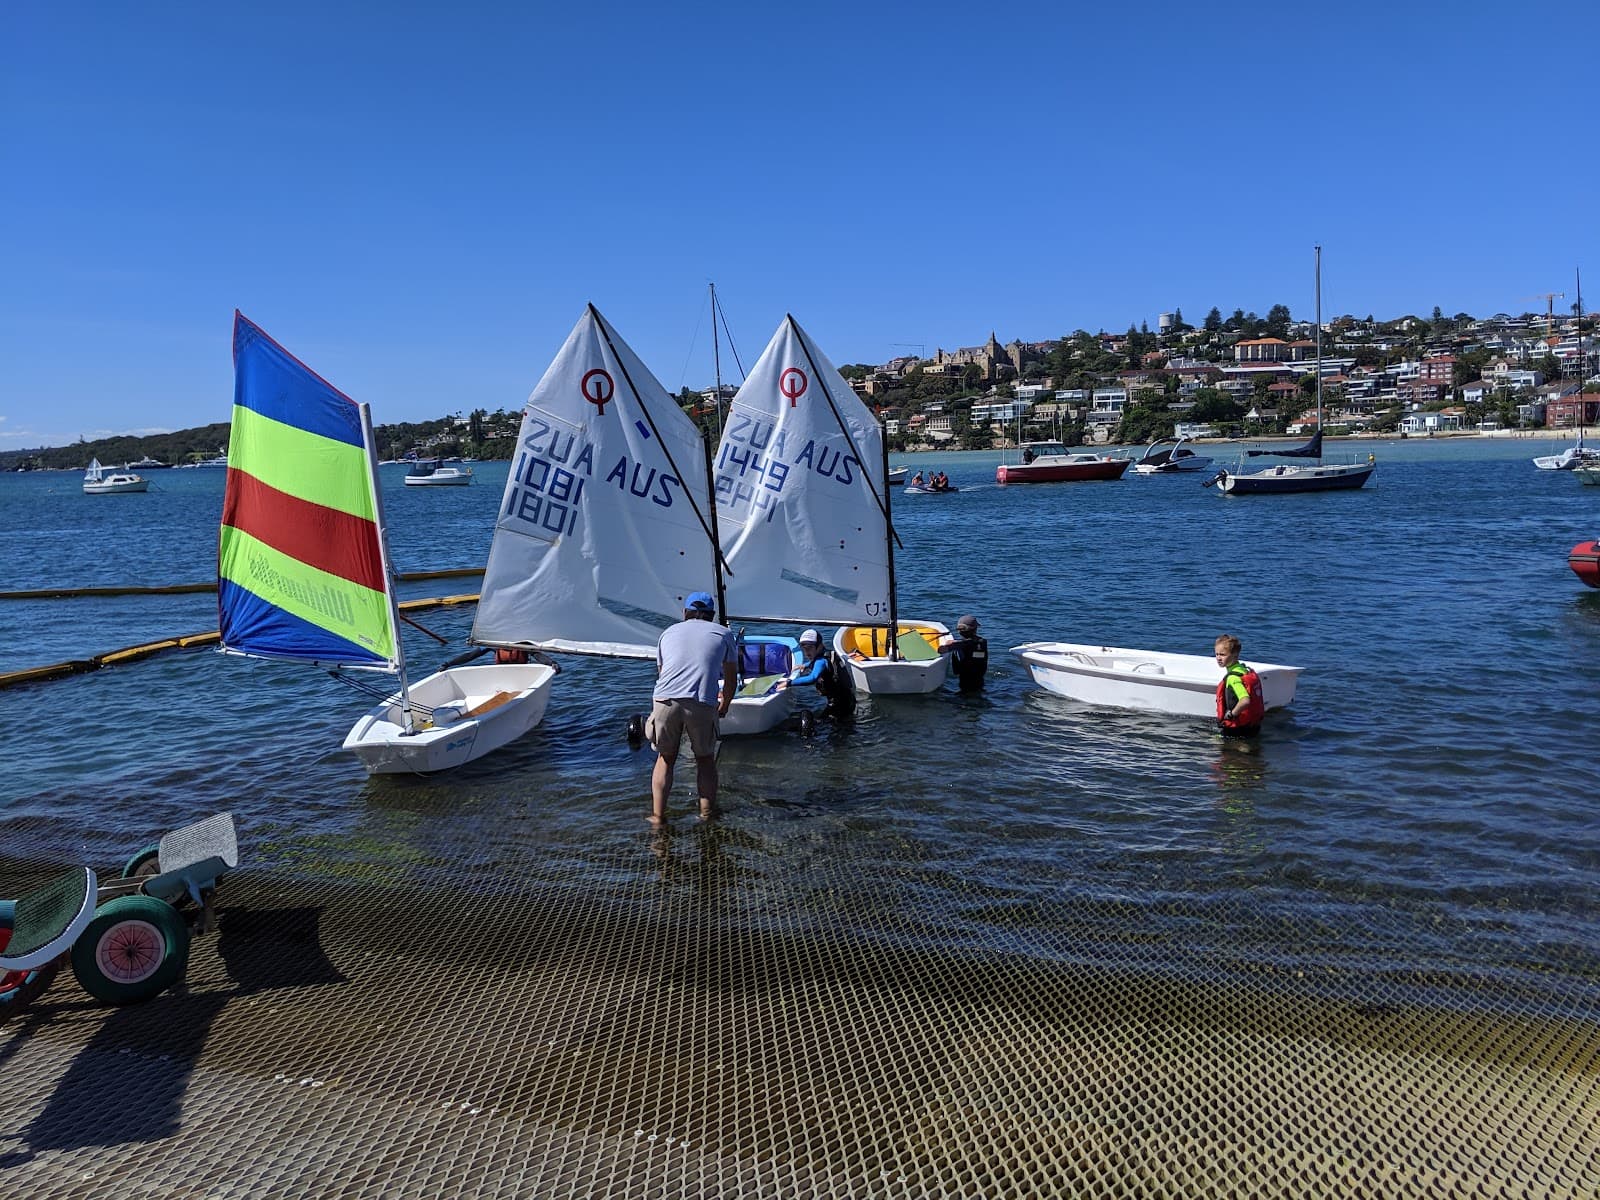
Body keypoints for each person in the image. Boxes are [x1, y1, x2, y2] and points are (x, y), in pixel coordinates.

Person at [648, 591, 737, 825]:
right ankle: (706, 817)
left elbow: (663, 674)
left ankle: (658, 818)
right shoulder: (724, 634)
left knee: (665, 758)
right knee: (705, 759)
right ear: (712, 615)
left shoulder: (667, 633)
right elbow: (730, 680)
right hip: (700, 702)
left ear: (685, 613)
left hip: (664, 699)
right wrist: (724, 705)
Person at [785, 628, 856, 718]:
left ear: (819, 646)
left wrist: (789, 683)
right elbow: (820, 663)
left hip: (839, 705)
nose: (807, 652)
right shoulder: (828, 654)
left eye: (810, 648)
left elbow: (812, 677)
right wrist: (805, 665)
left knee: (825, 724)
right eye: (804, 648)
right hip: (848, 699)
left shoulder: (820, 661)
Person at [1214, 634, 1265, 737]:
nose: (1218, 658)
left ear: (1235, 655)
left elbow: (1245, 700)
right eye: (1217, 654)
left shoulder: (1233, 678)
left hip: (1238, 728)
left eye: (1223, 655)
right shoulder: (1244, 670)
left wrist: (1231, 714)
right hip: (1252, 725)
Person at [940, 614, 988, 691]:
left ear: (959, 631)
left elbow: (941, 650)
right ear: (975, 629)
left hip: (965, 682)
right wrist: (955, 642)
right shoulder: (983, 642)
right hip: (979, 681)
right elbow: (970, 642)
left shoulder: (960, 645)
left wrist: (949, 643)